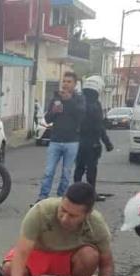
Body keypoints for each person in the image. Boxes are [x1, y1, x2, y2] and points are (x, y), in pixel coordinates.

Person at [3, 183, 115, 276]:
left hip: (67, 259)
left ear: (87, 214)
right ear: (61, 200)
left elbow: (106, 263)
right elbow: (21, 252)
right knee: (9, 269)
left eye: (72, 216)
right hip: (38, 252)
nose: (64, 218)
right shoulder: (40, 211)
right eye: (63, 210)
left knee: (90, 255)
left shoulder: (96, 224)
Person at [37, 71, 86, 201]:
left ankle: (61, 198)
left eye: (69, 82)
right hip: (55, 140)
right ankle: (42, 197)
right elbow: (47, 119)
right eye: (64, 81)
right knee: (49, 172)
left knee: (66, 173)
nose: (65, 84)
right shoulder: (56, 98)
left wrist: (69, 101)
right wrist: (53, 111)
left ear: (75, 84)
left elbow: (81, 116)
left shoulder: (79, 99)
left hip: (72, 142)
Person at [74, 76, 113, 198]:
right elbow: (99, 126)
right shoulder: (96, 105)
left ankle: (76, 192)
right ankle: (91, 194)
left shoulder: (79, 102)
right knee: (91, 168)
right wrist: (107, 142)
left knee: (79, 167)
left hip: (78, 140)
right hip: (92, 142)